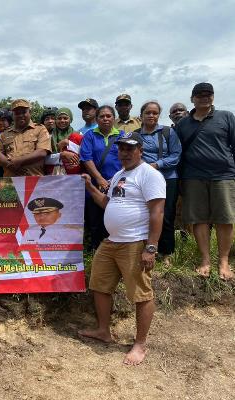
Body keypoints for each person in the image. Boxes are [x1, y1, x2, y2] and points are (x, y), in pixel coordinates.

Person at [79, 131, 166, 366]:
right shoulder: (118, 174)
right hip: (112, 241)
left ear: (140, 150)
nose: (124, 153)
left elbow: (157, 212)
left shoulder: (150, 175)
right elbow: (107, 203)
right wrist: (89, 186)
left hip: (135, 242)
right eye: (121, 149)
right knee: (99, 285)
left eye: (130, 148)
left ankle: (140, 344)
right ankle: (103, 331)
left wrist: (151, 247)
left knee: (141, 294)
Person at [175, 82, 235, 280]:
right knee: (198, 218)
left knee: (225, 219)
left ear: (213, 97)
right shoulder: (183, 124)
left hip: (223, 175)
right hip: (193, 176)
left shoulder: (226, 117)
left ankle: (224, 261)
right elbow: (178, 153)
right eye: (199, 94)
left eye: (208, 94)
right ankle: (205, 260)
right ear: (192, 98)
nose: (204, 97)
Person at [136, 101, 181, 261]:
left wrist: (156, 165)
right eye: (148, 112)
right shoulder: (136, 134)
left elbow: (176, 155)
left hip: (168, 178)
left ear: (158, 115)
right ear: (141, 115)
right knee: (145, 214)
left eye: (154, 113)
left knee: (166, 215)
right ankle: (148, 250)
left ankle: (166, 252)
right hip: (144, 180)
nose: (151, 116)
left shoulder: (168, 132)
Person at [80, 105, 124, 250]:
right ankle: (95, 251)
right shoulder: (90, 135)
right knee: (95, 220)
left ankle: (115, 251)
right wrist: (99, 178)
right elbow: (86, 158)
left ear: (114, 118)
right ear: (97, 119)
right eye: (102, 116)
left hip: (118, 184)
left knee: (115, 218)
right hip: (94, 184)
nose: (105, 119)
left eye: (108, 116)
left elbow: (128, 158)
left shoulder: (122, 135)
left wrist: (113, 181)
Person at [0, 99, 51, 177]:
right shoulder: (4, 133)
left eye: (24, 112)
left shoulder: (40, 129)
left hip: (34, 179)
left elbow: (42, 152)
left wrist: (19, 161)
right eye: (17, 113)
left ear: (29, 113)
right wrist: (10, 165)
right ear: (13, 115)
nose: (21, 115)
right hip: (10, 181)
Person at [44, 107, 81, 175]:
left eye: (65, 118)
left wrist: (69, 143)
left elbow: (85, 154)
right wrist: (61, 155)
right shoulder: (48, 136)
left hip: (73, 174)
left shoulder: (78, 135)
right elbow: (43, 159)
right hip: (52, 175)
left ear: (70, 119)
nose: (62, 121)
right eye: (59, 118)